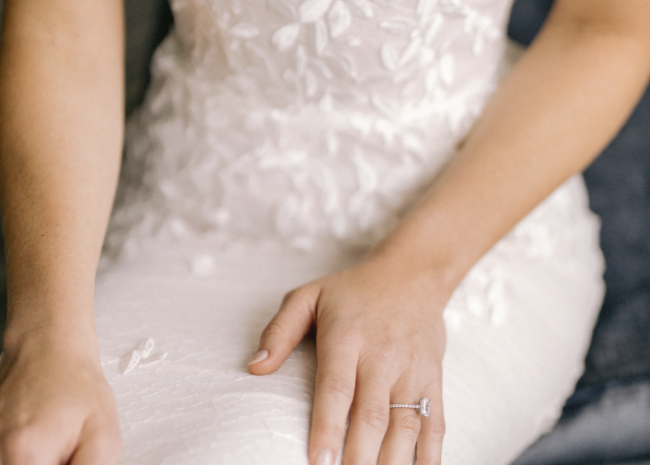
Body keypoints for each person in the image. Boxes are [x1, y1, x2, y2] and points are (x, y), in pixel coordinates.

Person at [0, 1, 649, 464]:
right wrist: (47, 333)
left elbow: (610, 24)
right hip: (180, 213)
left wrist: (415, 271)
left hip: (465, 230)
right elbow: (63, 28)